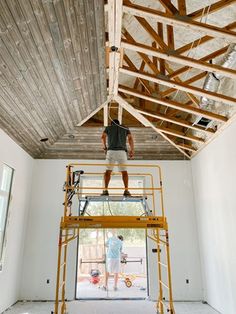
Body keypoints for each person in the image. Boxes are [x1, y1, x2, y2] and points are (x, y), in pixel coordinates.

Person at [101, 119, 134, 196]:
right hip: (122, 152)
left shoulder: (108, 128)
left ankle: (105, 190)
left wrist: (105, 147)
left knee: (108, 171)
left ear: (111, 123)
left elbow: (103, 137)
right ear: (119, 123)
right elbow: (130, 138)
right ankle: (126, 191)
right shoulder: (125, 128)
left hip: (111, 151)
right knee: (124, 172)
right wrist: (132, 150)